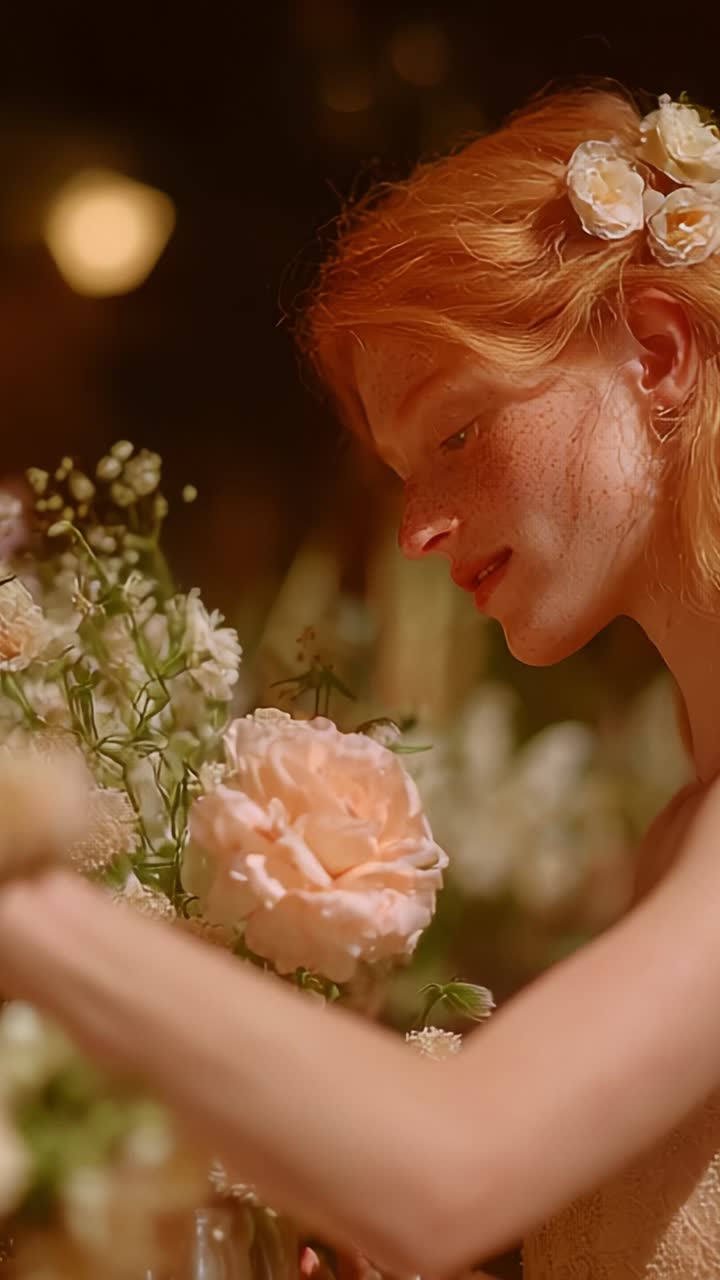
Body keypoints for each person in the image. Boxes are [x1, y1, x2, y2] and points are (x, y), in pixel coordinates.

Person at [2, 82, 720, 1278]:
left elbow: (448, 1171)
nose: (417, 531)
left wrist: (31, 912)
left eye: (455, 432)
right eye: (401, 472)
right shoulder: (683, 833)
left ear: (658, 350)